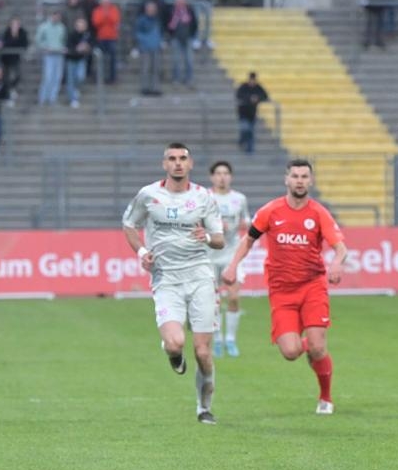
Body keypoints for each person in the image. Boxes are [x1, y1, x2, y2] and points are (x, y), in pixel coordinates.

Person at [221, 159, 348, 415]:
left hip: (313, 286)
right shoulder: (271, 211)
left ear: (310, 181)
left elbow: (340, 247)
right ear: (286, 179)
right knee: (290, 352)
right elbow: (248, 240)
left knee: (318, 347)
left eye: (304, 176)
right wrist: (233, 266)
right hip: (281, 290)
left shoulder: (318, 213)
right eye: (295, 176)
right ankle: (312, 345)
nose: (299, 180)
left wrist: (336, 262)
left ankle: (326, 397)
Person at [122, 142, 225, 425]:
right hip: (166, 279)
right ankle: (173, 355)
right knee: (175, 342)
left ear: (190, 164)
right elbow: (129, 224)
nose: (178, 163)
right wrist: (143, 252)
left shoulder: (204, 197)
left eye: (183, 158)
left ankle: (204, 408)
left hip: (200, 278)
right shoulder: (148, 195)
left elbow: (219, 240)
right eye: (172, 158)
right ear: (164, 164)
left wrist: (205, 236)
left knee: (203, 352)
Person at [208, 161, 251, 357]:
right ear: (212, 177)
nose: (222, 177)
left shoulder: (239, 199)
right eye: (218, 173)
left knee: (233, 296)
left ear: (230, 177)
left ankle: (231, 339)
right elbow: (196, 221)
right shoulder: (205, 197)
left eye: (225, 173)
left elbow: (247, 220)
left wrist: (244, 224)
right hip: (209, 253)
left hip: (231, 253)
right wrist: (215, 226)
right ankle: (217, 339)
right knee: (213, 299)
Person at [235, 72, 268, 153]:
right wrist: (250, 98)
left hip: (252, 114)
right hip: (243, 113)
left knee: (251, 131)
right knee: (245, 129)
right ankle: (243, 141)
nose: (252, 82)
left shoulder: (258, 87)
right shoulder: (244, 87)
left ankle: (249, 149)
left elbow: (265, 96)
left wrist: (258, 98)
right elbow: (238, 95)